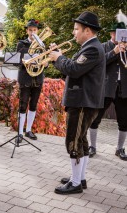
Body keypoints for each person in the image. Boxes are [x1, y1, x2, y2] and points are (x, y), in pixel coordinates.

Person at [49, 11, 105, 194]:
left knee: (73, 141)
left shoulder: (92, 49)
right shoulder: (90, 47)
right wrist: (58, 58)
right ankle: (79, 177)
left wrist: (58, 57)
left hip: (82, 102)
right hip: (85, 101)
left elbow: (73, 69)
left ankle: (75, 183)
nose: (74, 33)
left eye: (76, 29)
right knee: (81, 140)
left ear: (87, 31)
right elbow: (73, 67)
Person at [87, 22, 127, 161]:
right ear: (111, 34)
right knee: (95, 118)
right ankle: (92, 146)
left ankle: (120, 148)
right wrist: (115, 51)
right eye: (116, 33)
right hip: (105, 88)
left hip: (123, 89)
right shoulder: (103, 46)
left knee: (124, 121)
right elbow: (100, 63)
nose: (118, 36)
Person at [15, 19, 44, 141]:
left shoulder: (42, 45)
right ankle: (20, 132)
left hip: (37, 77)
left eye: (35, 30)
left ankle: (28, 130)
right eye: (30, 30)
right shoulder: (21, 44)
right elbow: (17, 61)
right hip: (25, 77)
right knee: (23, 105)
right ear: (27, 31)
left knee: (33, 105)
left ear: (37, 31)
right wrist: (27, 61)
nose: (33, 32)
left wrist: (44, 63)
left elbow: (45, 61)